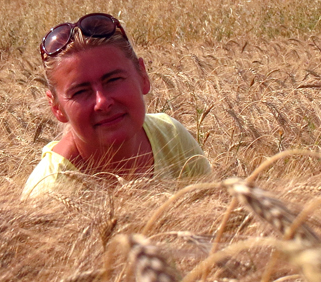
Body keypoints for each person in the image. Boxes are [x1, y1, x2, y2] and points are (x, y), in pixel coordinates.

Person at [22, 12, 212, 200]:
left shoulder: (171, 136)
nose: (102, 102)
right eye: (80, 91)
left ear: (143, 76)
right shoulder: (48, 193)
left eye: (113, 80)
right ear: (56, 107)